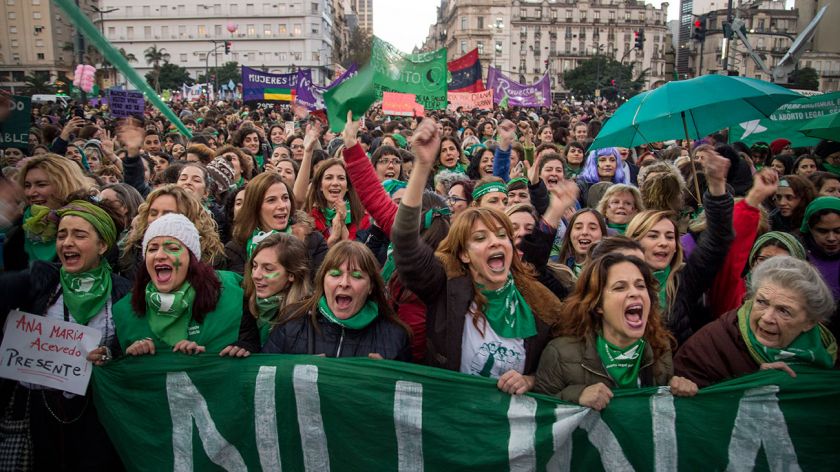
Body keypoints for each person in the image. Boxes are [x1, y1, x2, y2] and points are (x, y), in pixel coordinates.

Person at [392, 118, 561, 395]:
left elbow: (564, 359)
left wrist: (532, 380)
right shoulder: (446, 285)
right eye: (480, 238)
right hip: (455, 419)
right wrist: (422, 167)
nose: (495, 242)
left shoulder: (538, 300)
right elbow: (405, 245)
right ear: (464, 255)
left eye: (501, 235)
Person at [0, 196, 129, 469]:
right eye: (61, 235)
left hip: (97, 413)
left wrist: (110, 354)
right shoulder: (41, 279)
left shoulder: (123, 292)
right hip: (40, 411)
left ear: (102, 245)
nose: (67, 243)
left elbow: (131, 348)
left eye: (79, 235)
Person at [533, 254, 697, 408]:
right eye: (620, 288)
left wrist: (677, 387)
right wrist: (576, 396)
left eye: (640, 286)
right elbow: (539, 415)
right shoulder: (560, 353)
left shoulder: (660, 346)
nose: (635, 293)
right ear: (598, 305)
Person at [674, 256, 838, 387]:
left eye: (783, 311)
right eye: (761, 302)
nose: (767, 318)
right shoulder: (710, 345)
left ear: (809, 322)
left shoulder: (827, 351)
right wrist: (753, 384)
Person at [625, 149, 734, 343]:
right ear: (635, 239)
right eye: (653, 235)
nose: (663, 243)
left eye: (669, 237)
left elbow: (717, 240)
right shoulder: (614, 279)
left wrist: (717, 186)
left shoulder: (682, 281)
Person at [113, 213, 259, 356]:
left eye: (173, 248)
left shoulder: (230, 293)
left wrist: (243, 348)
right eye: (152, 249)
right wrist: (125, 356)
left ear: (191, 259)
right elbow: (116, 366)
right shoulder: (125, 310)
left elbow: (254, 347)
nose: (160, 255)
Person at [262, 240, 411, 359]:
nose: (344, 283)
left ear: (371, 286)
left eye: (357, 276)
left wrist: (385, 378)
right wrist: (295, 368)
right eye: (335, 274)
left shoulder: (395, 336)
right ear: (322, 281)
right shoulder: (292, 322)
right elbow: (265, 377)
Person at [225, 171, 327, 275]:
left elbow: (317, 286)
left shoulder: (313, 240)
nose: (282, 205)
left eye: (285, 198)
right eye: (271, 200)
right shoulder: (236, 248)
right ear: (255, 206)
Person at [118, 185, 226, 282]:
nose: (158, 219)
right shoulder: (130, 251)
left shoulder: (211, 257)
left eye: (168, 213)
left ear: (188, 217)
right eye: (153, 213)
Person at [7, 154, 92, 270]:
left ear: (65, 184)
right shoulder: (17, 231)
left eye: (41, 185)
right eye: (27, 186)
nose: (31, 193)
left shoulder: (92, 225)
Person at [243, 232, 312, 345]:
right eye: (254, 266)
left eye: (268, 269)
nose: (256, 275)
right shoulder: (240, 303)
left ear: (291, 275)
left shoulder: (308, 319)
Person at [799, 196, 840, 301]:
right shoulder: (798, 256)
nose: (831, 238)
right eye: (822, 231)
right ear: (810, 229)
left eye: (838, 231)